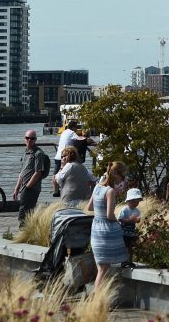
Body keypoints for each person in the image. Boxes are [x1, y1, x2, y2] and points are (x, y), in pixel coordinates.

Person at [86, 161, 129, 289]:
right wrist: (119, 221)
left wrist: (100, 210)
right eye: (123, 176)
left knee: (101, 267)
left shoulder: (97, 187)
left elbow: (89, 207)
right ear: (116, 174)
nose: (123, 179)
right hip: (106, 230)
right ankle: (97, 299)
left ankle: (99, 298)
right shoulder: (110, 191)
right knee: (103, 269)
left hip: (96, 229)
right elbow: (110, 215)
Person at [12, 129, 50, 226]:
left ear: (35, 139)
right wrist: (17, 189)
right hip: (24, 188)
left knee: (24, 212)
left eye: (32, 138)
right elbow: (22, 172)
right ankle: (27, 232)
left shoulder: (38, 154)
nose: (29, 140)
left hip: (32, 188)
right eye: (27, 138)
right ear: (24, 139)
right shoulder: (26, 153)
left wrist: (28, 187)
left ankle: (23, 233)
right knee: (26, 211)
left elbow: (38, 172)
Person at [52, 120, 80, 197]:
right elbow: (80, 139)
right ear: (73, 127)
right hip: (65, 157)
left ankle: (55, 191)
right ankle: (67, 189)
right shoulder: (72, 133)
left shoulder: (64, 132)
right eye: (76, 127)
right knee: (67, 174)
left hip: (58, 156)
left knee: (56, 173)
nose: (77, 129)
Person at [118, 188, 142, 265]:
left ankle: (130, 261)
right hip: (124, 232)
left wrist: (137, 220)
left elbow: (138, 220)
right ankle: (124, 261)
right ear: (128, 201)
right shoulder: (125, 210)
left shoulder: (137, 211)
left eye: (137, 201)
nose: (135, 203)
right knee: (125, 246)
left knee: (130, 247)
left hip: (131, 232)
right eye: (133, 201)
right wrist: (129, 220)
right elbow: (120, 219)